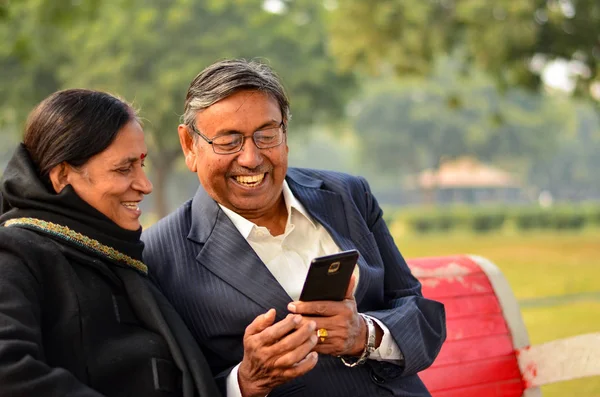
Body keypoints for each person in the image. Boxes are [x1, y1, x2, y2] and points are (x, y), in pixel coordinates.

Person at [142, 59, 446, 397]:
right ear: (189, 146)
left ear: (285, 132)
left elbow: (423, 319)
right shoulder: (157, 254)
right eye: (229, 141)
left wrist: (364, 334)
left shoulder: (347, 195)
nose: (251, 158)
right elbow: (168, 387)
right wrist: (245, 382)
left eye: (266, 135)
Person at [0, 89, 220, 397]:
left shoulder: (121, 257)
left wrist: (246, 381)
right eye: (122, 168)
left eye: (141, 164)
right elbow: (9, 373)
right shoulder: (14, 253)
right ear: (62, 175)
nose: (144, 185)